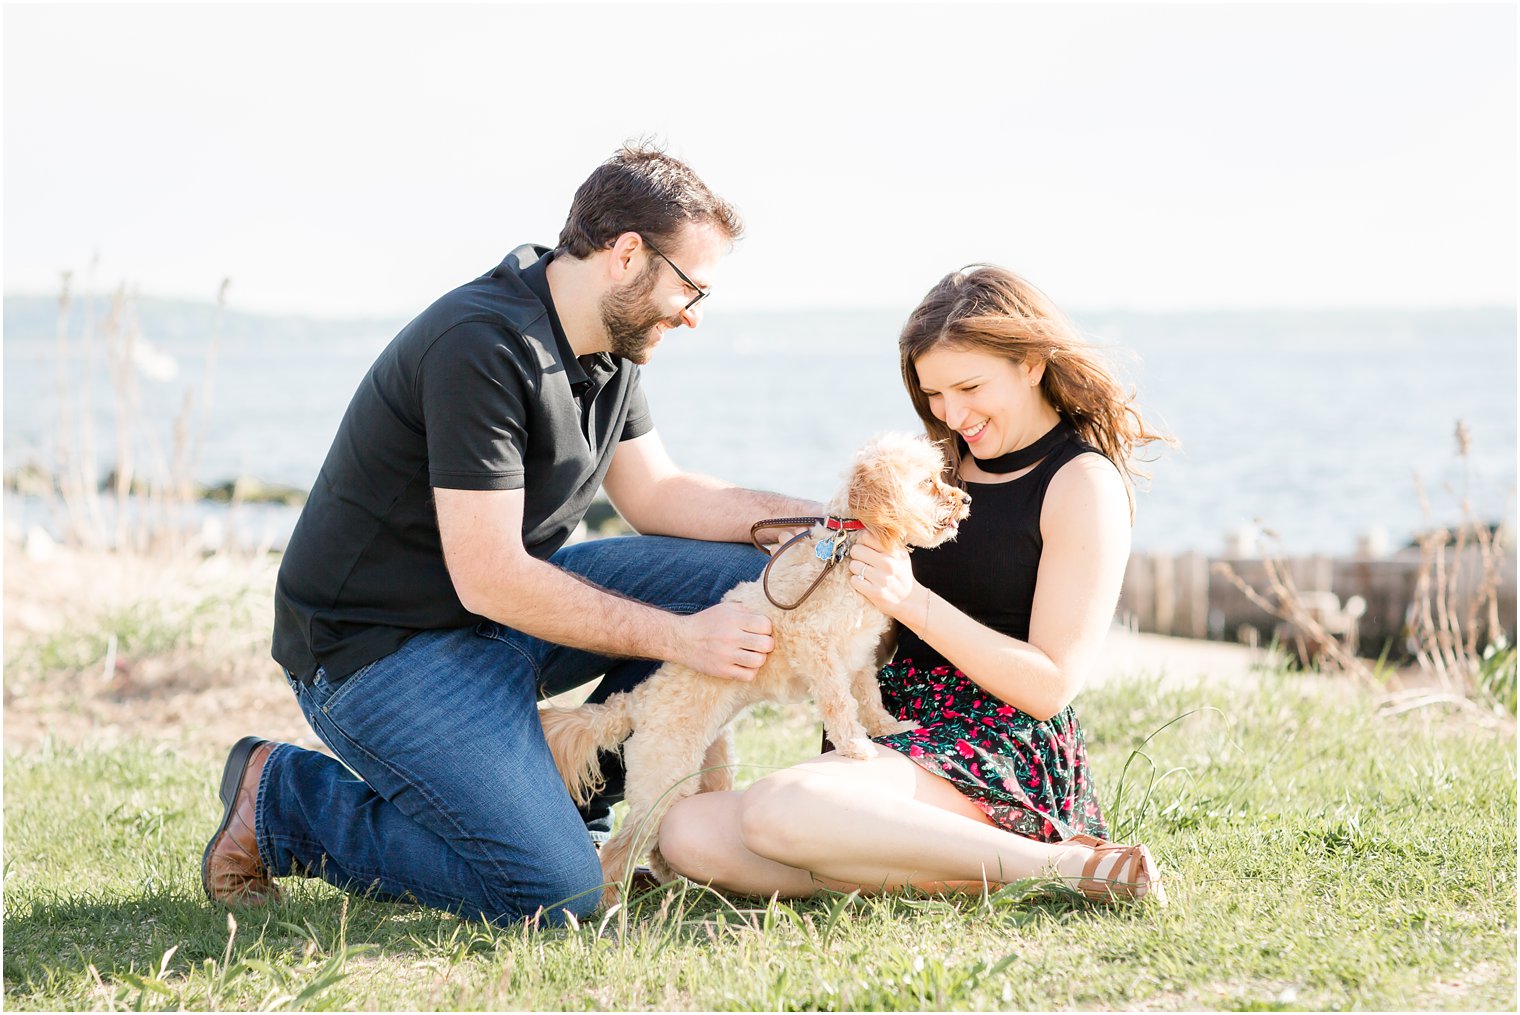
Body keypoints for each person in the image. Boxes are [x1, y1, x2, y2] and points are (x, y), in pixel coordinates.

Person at [200, 144, 823, 925]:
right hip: (377, 652)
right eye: (691, 287)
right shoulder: (483, 344)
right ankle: (288, 802)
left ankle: (581, 808)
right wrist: (683, 638)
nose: (692, 313)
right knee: (557, 895)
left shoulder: (610, 341)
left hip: (493, 617)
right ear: (627, 255)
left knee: (733, 574)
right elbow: (490, 573)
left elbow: (659, 493)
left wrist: (823, 522)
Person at [657, 265, 1171, 903]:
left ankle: (1062, 866)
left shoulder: (1080, 483)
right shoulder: (939, 467)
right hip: (898, 726)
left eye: (970, 386)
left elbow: (1049, 686)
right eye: (934, 395)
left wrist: (911, 600)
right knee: (686, 833)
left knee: (776, 811)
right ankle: (952, 868)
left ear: (1033, 363)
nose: (953, 414)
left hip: (997, 745)